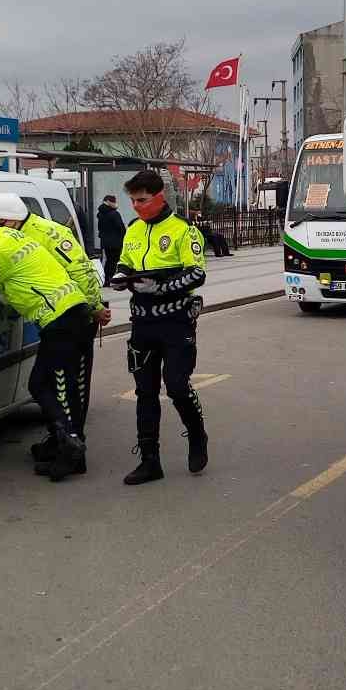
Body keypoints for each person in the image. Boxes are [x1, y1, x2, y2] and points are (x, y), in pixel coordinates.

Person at [0, 201, 90, 481]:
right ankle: (67, 447)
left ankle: (71, 448)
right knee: (51, 385)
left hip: (60, 318)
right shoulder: (10, 236)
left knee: (53, 387)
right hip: (68, 314)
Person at [0, 193, 110, 475]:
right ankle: (61, 442)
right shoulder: (29, 231)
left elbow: (80, 270)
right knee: (62, 388)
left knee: (67, 388)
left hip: (71, 315)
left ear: (7, 221)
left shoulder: (43, 234)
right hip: (70, 314)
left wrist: (95, 307)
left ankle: (72, 448)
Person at [116, 170, 209, 486]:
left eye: (142, 200)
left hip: (175, 320)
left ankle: (196, 433)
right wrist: (121, 277)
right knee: (145, 392)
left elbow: (196, 274)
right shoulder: (133, 229)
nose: (137, 206)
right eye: (133, 201)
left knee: (177, 386)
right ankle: (149, 460)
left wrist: (160, 289)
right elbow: (125, 262)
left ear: (159, 197)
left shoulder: (183, 230)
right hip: (142, 322)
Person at [97, 194, 127, 281]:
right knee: (114, 261)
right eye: (114, 201)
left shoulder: (100, 214)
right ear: (109, 202)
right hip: (116, 242)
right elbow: (120, 227)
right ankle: (111, 278)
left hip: (106, 242)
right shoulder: (114, 214)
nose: (116, 203)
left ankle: (106, 279)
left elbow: (100, 228)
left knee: (109, 260)